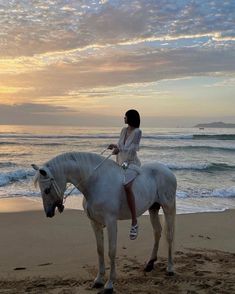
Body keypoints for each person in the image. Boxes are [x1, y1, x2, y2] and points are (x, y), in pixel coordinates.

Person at [108, 109, 142, 240]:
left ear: (131, 118)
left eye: (125, 116)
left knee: (127, 186)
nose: (124, 118)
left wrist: (119, 149)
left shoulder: (137, 132)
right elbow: (121, 145)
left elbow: (132, 149)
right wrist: (115, 146)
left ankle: (134, 221)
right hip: (120, 162)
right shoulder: (123, 130)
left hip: (132, 164)